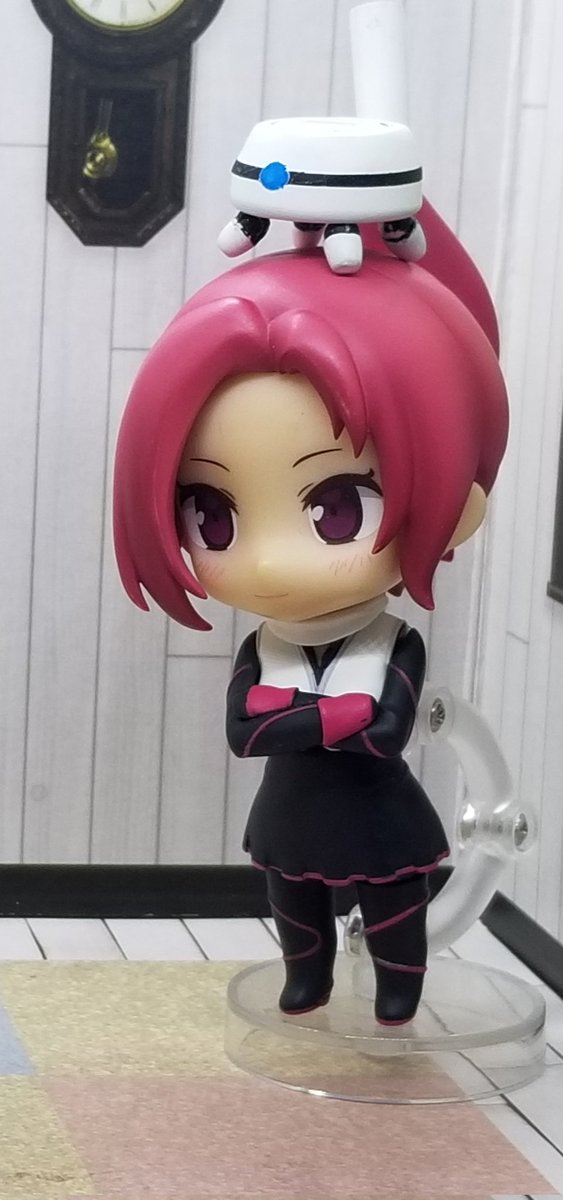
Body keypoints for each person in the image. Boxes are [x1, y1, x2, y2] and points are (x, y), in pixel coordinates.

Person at [113, 202, 509, 1024]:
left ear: (458, 506)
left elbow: (382, 731)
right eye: (212, 515)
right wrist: (333, 715)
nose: (266, 563)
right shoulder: (267, 646)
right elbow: (245, 732)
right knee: (295, 913)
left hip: (382, 819)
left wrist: (297, 714)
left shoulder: (390, 642)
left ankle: (397, 990)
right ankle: (309, 978)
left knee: (394, 916)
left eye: (336, 508)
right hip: (290, 816)